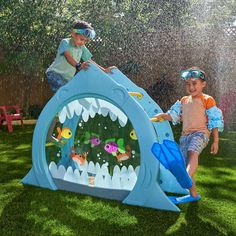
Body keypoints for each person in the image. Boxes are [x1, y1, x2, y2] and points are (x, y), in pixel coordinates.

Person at [153, 67, 224, 200]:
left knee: (193, 152)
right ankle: (193, 194)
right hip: (185, 136)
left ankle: (185, 176)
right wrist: (163, 115)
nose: (191, 87)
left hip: (200, 134)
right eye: (188, 84)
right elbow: (174, 116)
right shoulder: (184, 100)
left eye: (194, 83)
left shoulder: (207, 99)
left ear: (203, 84)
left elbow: (215, 121)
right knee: (187, 163)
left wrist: (215, 141)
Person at [46, 20, 115, 93]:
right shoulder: (65, 42)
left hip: (67, 79)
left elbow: (90, 61)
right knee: (65, 92)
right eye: (81, 39)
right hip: (54, 73)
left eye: (86, 41)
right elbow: (68, 57)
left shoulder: (82, 48)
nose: (83, 42)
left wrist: (104, 70)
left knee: (70, 94)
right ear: (73, 34)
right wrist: (79, 65)